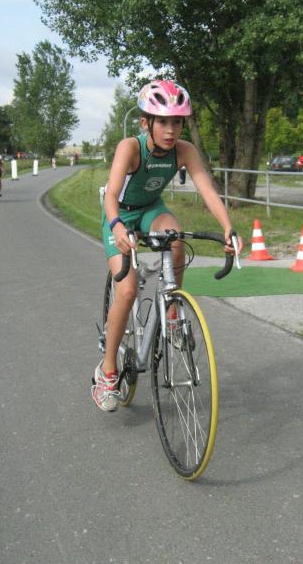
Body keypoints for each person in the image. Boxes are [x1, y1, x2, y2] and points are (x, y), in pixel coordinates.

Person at [93, 79, 244, 412]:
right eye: (163, 121)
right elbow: (111, 196)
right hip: (120, 214)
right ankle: (107, 372)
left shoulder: (184, 150)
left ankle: (172, 313)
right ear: (145, 122)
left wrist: (228, 228)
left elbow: (207, 190)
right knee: (127, 289)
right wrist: (117, 226)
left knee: (176, 238)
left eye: (177, 122)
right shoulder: (130, 147)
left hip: (151, 210)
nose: (171, 130)